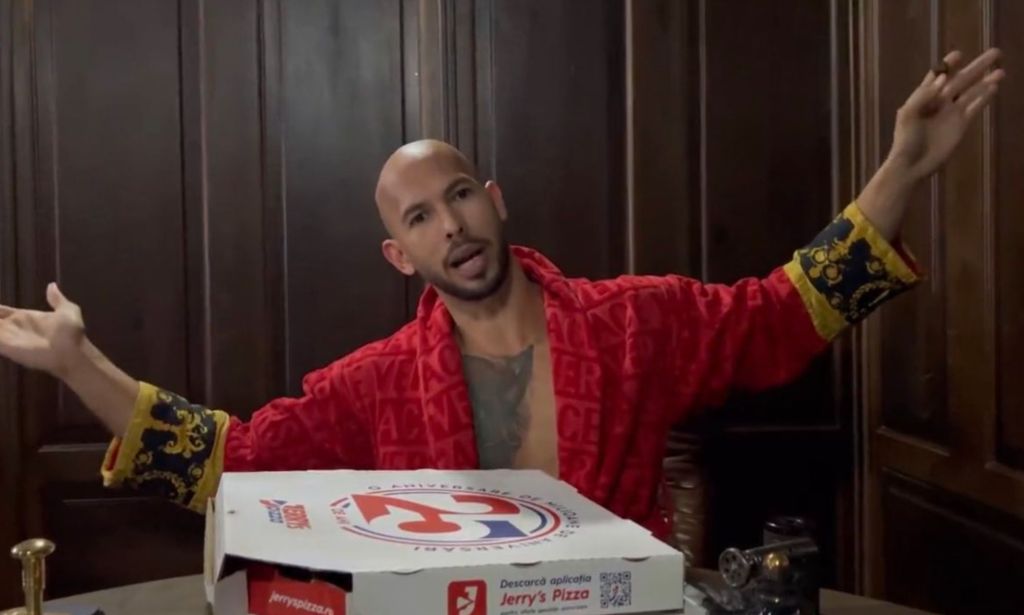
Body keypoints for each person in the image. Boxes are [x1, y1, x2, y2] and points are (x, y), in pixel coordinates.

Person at [0, 49, 1004, 539]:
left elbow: (784, 312)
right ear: (401, 257)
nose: (453, 228)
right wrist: (78, 360)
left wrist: (903, 167)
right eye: (421, 219)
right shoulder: (376, 385)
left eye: (459, 197)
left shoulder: (633, 323)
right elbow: (232, 462)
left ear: (495, 198)